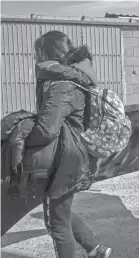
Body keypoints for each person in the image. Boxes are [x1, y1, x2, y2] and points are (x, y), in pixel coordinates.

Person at [26, 30, 112, 258]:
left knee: (56, 222)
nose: (35, 58)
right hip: (73, 155)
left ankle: (95, 249)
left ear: (47, 53)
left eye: (37, 53)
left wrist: (24, 140)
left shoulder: (61, 84)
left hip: (67, 158)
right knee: (60, 211)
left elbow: (46, 129)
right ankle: (96, 249)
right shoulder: (70, 78)